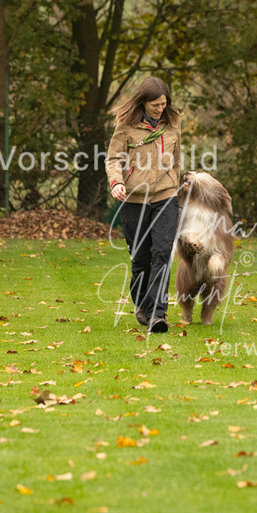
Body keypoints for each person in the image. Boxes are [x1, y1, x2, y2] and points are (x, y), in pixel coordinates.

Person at [105, 76, 182, 333]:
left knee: (162, 253)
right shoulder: (126, 125)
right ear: (143, 102)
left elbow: (176, 160)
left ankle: (158, 314)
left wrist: (175, 184)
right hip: (134, 199)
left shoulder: (173, 123)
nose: (160, 109)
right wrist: (117, 182)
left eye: (163, 104)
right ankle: (143, 306)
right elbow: (113, 159)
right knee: (141, 259)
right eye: (155, 105)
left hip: (165, 196)